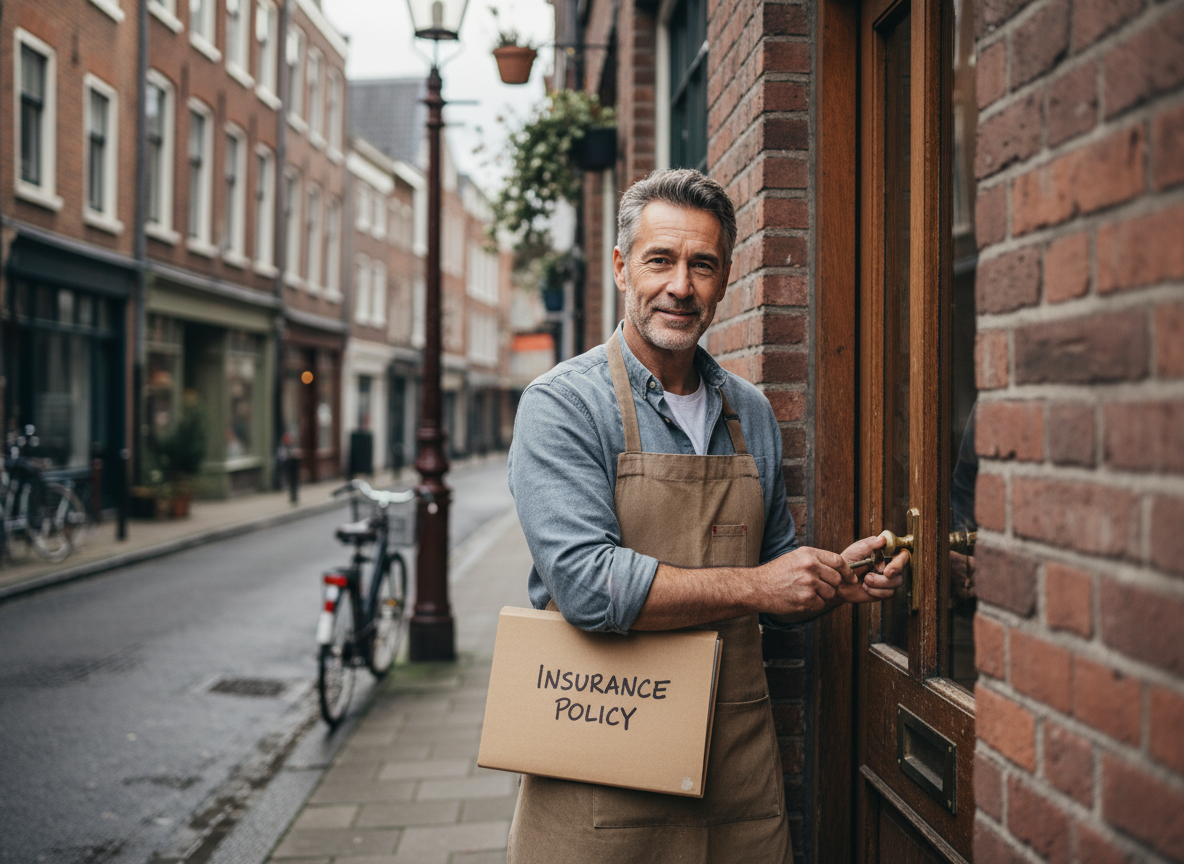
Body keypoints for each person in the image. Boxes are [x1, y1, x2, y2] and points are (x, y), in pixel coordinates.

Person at [506, 168, 908, 863]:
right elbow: (588, 585)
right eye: (660, 261)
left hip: (734, 773)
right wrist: (758, 587)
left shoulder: (748, 411)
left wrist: (827, 582)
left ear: (726, 279)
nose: (680, 287)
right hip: (604, 758)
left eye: (703, 265)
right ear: (622, 268)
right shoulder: (564, 405)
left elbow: (774, 580)